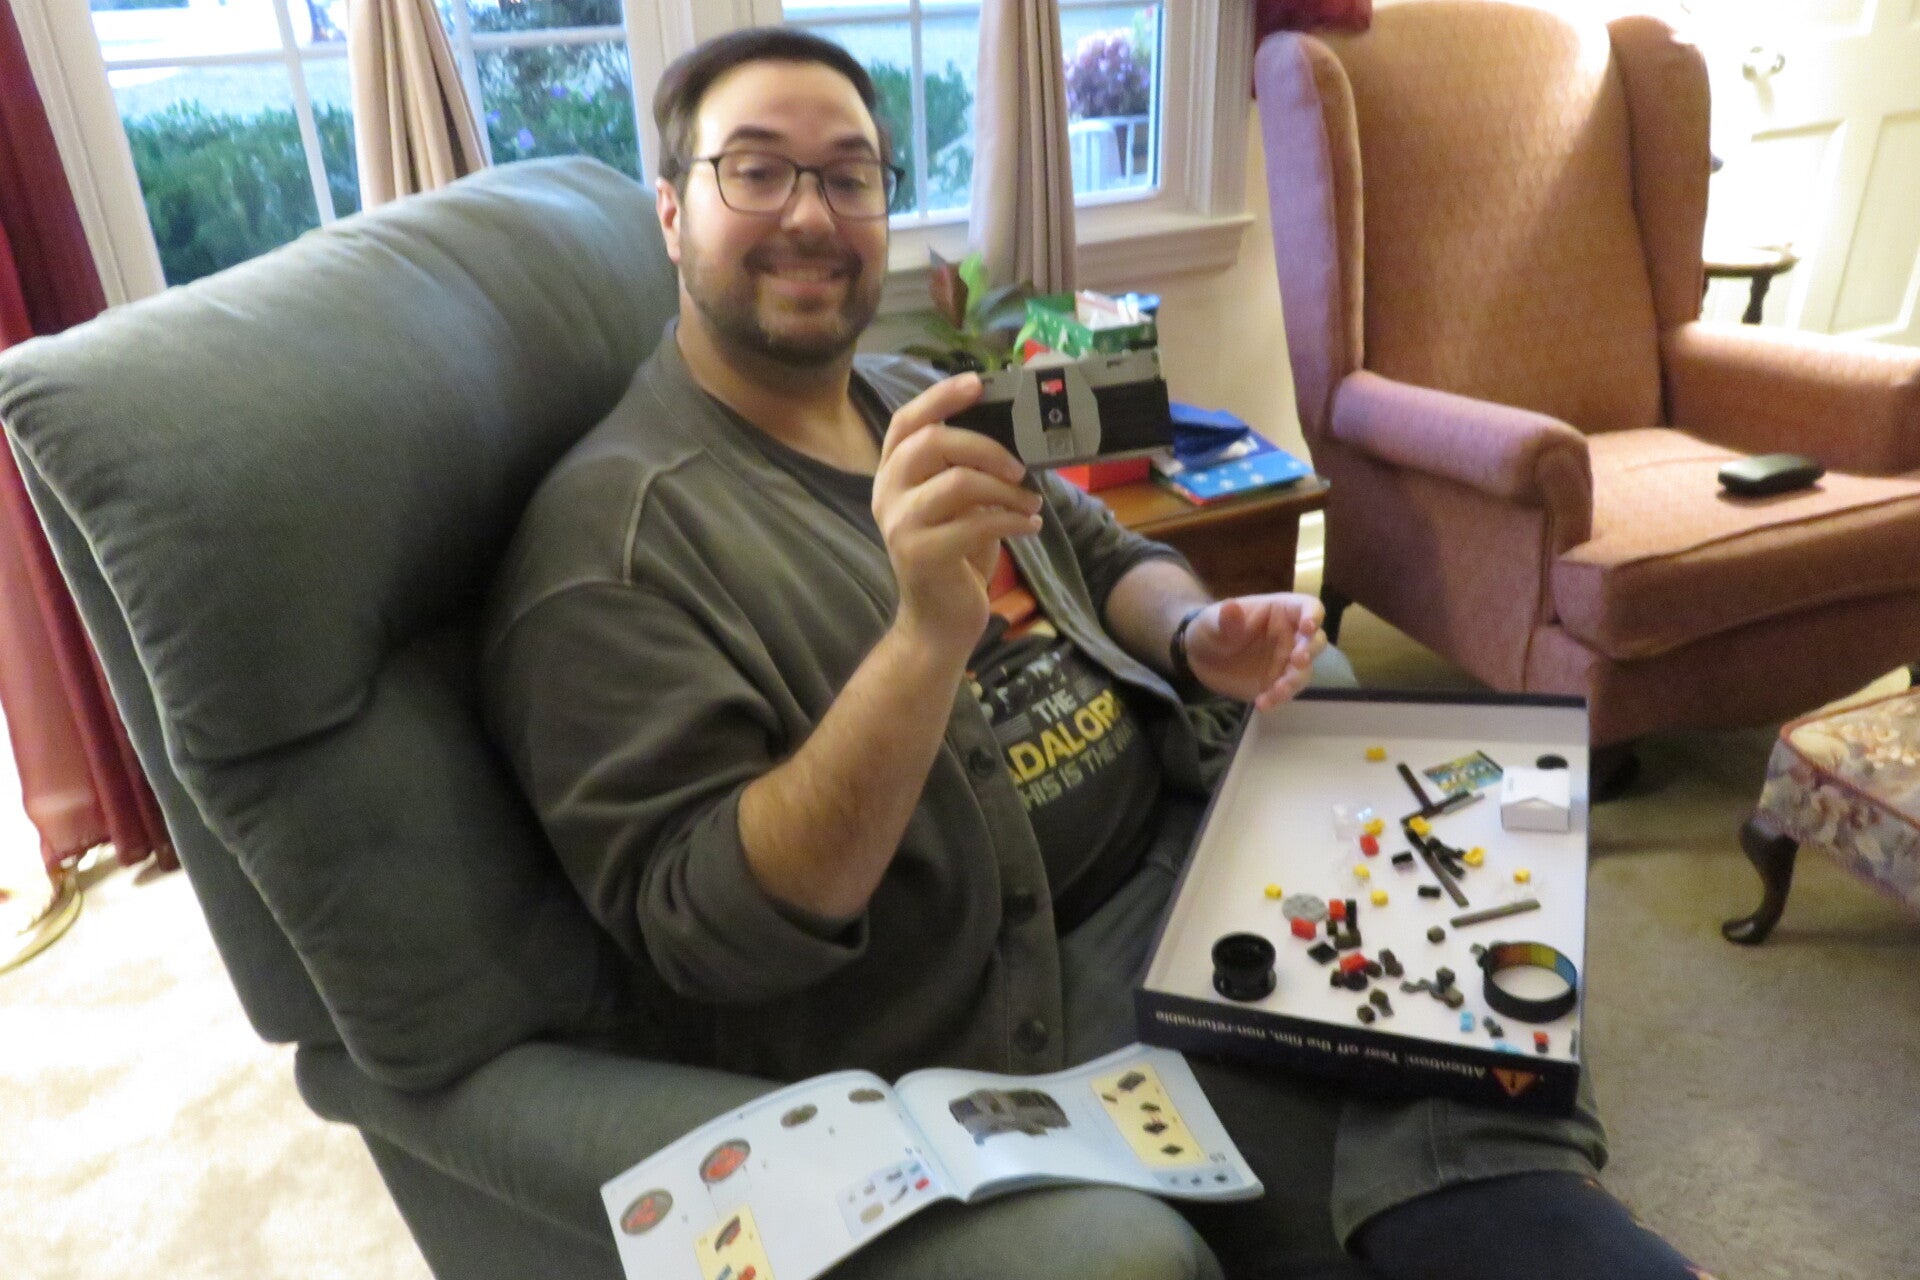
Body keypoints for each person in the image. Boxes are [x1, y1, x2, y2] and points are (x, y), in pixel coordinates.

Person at [481, 26, 1711, 1280]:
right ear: (672, 211)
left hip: (1195, 824)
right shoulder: (610, 550)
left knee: (1484, 926)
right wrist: (924, 637)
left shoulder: (912, 393)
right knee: (1441, 1136)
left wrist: (1191, 629)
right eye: (755, 169)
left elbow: (1104, 546)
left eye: (849, 175)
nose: (810, 213)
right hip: (1030, 988)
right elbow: (715, 926)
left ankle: (1525, 1207)